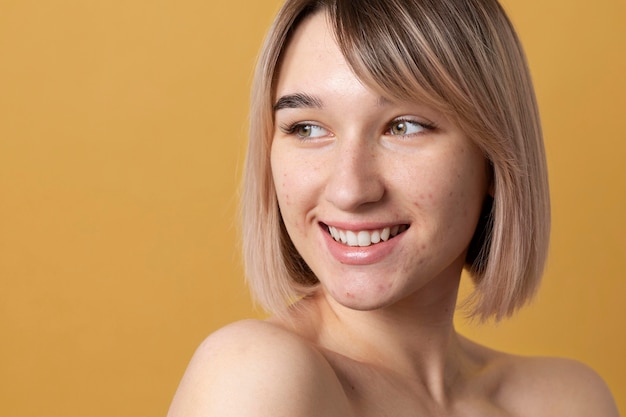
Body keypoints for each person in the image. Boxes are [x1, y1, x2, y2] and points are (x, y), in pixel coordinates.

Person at [168, 0, 619, 415]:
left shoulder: (570, 399)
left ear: (494, 159)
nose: (349, 189)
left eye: (403, 126)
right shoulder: (255, 376)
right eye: (306, 128)